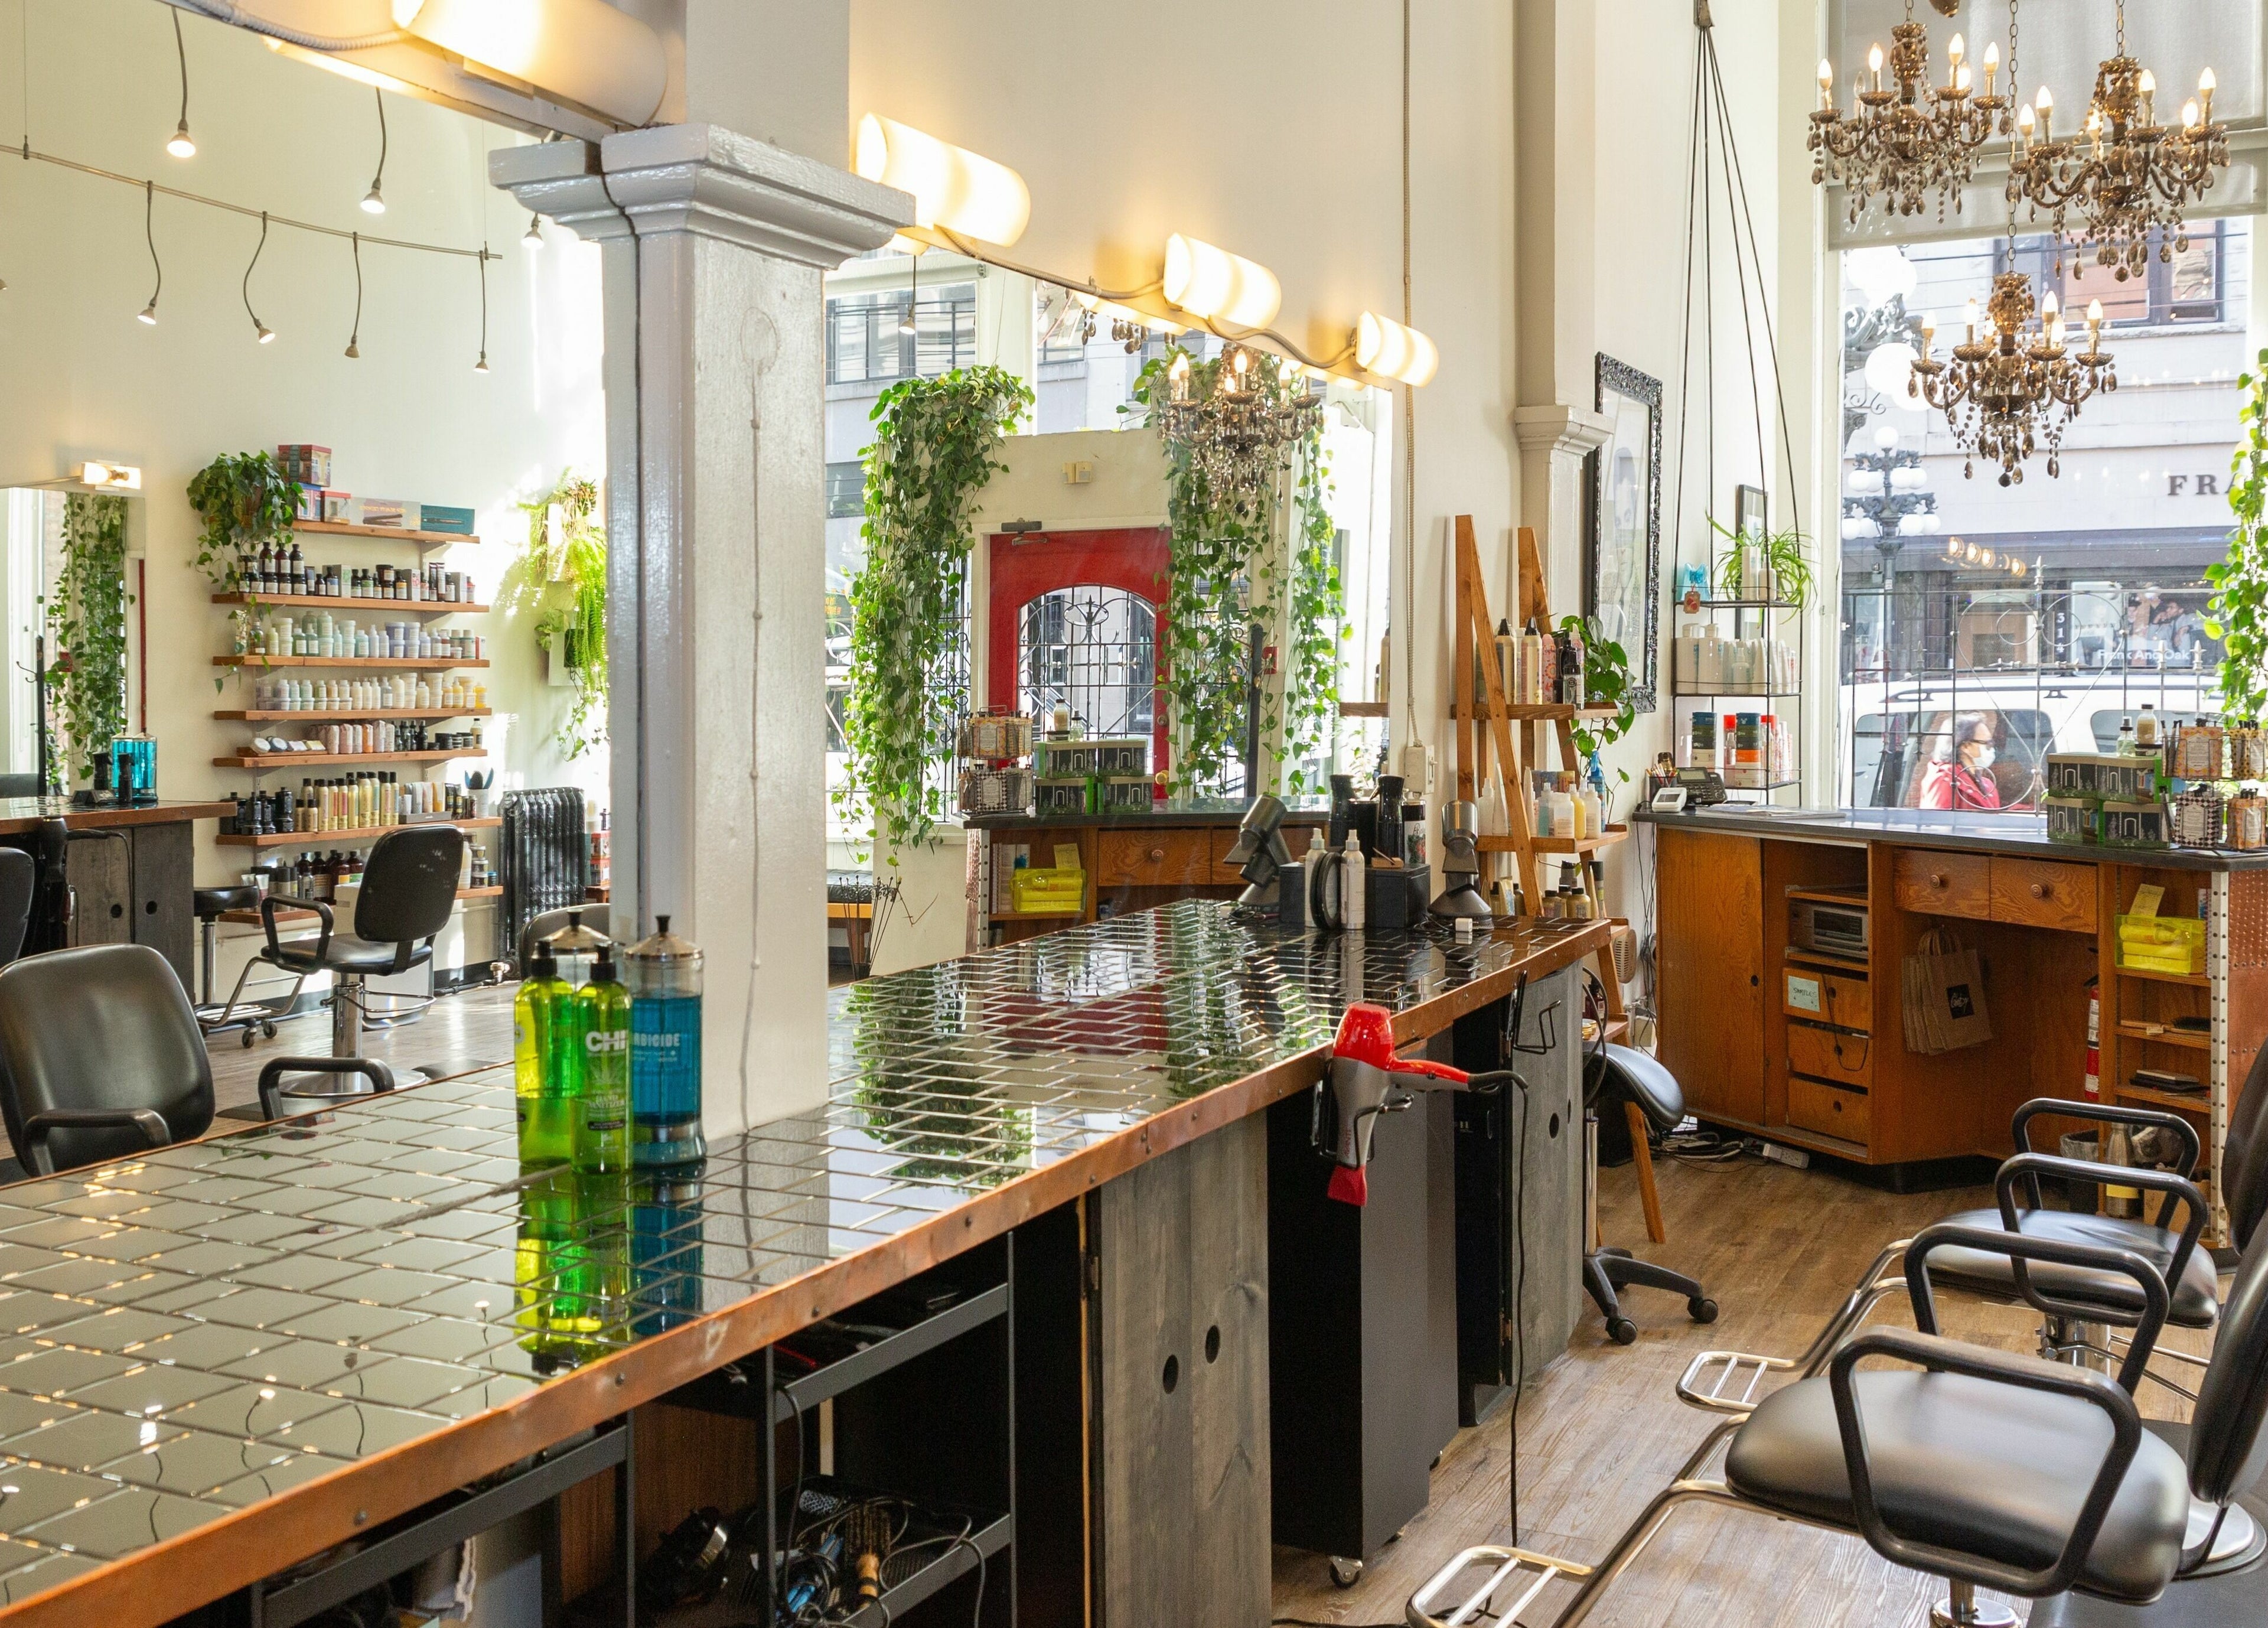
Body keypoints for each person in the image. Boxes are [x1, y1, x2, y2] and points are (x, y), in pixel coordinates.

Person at [1917, 712, 2002, 811]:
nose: (1991, 748)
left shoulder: (1985, 784)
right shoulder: (1945, 780)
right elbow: (1937, 822)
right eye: (1987, 743)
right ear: (1966, 747)